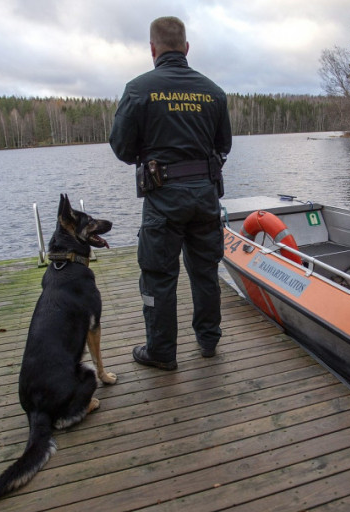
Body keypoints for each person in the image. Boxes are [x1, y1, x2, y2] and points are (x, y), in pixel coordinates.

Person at [109, 16, 232, 371]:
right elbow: (224, 145)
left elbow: (121, 147)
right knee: (205, 272)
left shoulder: (139, 89)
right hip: (205, 197)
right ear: (186, 48)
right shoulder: (213, 92)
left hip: (163, 199)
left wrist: (149, 156)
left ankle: (162, 352)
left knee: (158, 276)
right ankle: (208, 340)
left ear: (152, 49)